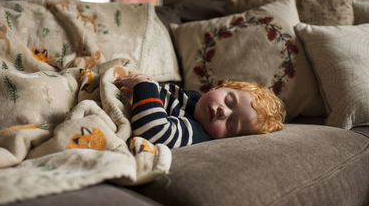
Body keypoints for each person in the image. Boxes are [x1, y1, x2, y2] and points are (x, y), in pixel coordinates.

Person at [114, 74, 286, 149]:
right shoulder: (191, 98)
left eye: (231, 124)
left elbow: (155, 133)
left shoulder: (195, 132)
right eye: (228, 100)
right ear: (218, 87)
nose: (223, 112)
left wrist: (144, 86)